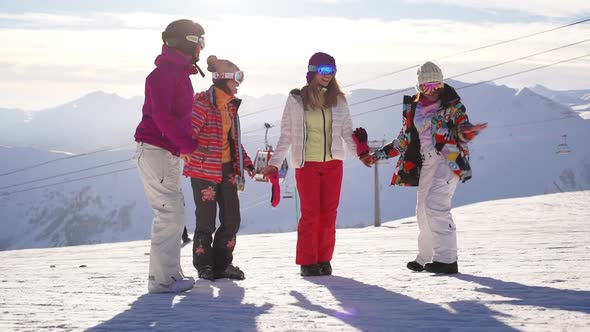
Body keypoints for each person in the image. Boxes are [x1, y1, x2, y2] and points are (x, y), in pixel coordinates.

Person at [365, 61, 487, 274]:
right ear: (419, 88)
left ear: (442, 84)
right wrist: (378, 155)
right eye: (426, 87)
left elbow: (462, 128)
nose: (432, 91)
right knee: (422, 211)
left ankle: (447, 259)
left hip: (449, 158)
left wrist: (469, 131)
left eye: (436, 86)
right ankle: (424, 258)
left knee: (435, 205)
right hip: (426, 162)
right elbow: (404, 139)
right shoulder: (414, 108)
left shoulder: (452, 105)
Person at [262, 52, 364, 277]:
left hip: (333, 164)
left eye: (332, 71)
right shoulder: (297, 99)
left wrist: (362, 155)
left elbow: (348, 133)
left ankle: (324, 259)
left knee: (329, 213)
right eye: (323, 70)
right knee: (311, 213)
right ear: (312, 71)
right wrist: (275, 163)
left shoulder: (339, 99)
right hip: (306, 164)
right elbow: (286, 134)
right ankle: (308, 261)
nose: (328, 75)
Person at [133, 19, 205, 293]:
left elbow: (175, 117)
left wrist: (185, 146)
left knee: (173, 214)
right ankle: (163, 280)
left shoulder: (176, 74)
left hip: (164, 151)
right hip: (156, 150)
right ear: (187, 41)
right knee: (169, 214)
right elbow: (162, 116)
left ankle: (168, 276)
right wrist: (188, 145)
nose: (201, 47)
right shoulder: (163, 75)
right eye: (200, 41)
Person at [183, 55, 255, 281]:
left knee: (232, 218)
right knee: (206, 221)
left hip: (226, 170)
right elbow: (188, 134)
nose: (238, 83)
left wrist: (247, 163)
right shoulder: (203, 104)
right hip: (204, 171)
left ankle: (223, 264)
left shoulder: (230, 107)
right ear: (223, 79)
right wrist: (193, 151)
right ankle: (205, 266)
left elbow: (234, 140)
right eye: (236, 78)